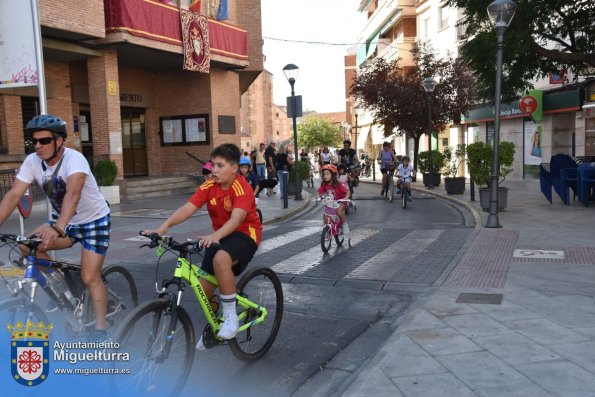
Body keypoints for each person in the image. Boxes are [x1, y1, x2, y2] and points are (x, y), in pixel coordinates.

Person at [0, 114, 111, 341]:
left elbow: (73, 194)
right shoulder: (32, 162)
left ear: (59, 141)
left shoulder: (75, 159)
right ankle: (63, 288)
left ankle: (101, 330)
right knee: (26, 246)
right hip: (65, 221)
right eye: (34, 141)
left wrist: (58, 228)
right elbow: (13, 196)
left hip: (94, 221)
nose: (38, 146)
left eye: (44, 141)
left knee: (90, 277)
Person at [142, 143, 261, 349]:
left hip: (245, 234)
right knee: (203, 289)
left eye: (220, 165)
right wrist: (163, 227)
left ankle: (230, 318)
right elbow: (188, 208)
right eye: (213, 165)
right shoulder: (209, 187)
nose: (214, 170)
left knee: (220, 258)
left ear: (234, 168)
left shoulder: (242, 187)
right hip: (219, 238)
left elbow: (236, 219)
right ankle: (218, 324)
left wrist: (214, 235)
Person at [315, 164, 350, 235]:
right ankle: (325, 228)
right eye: (324, 174)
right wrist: (317, 197)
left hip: (341, 201)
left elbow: (347, 191)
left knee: (338, 211)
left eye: (327, 174)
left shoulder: (338, 184)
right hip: (332, 201)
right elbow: (319, 192)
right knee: (325, 213)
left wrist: (346, 198)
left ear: (333, 175)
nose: (325, 176)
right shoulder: (324, 184)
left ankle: (345, 225)